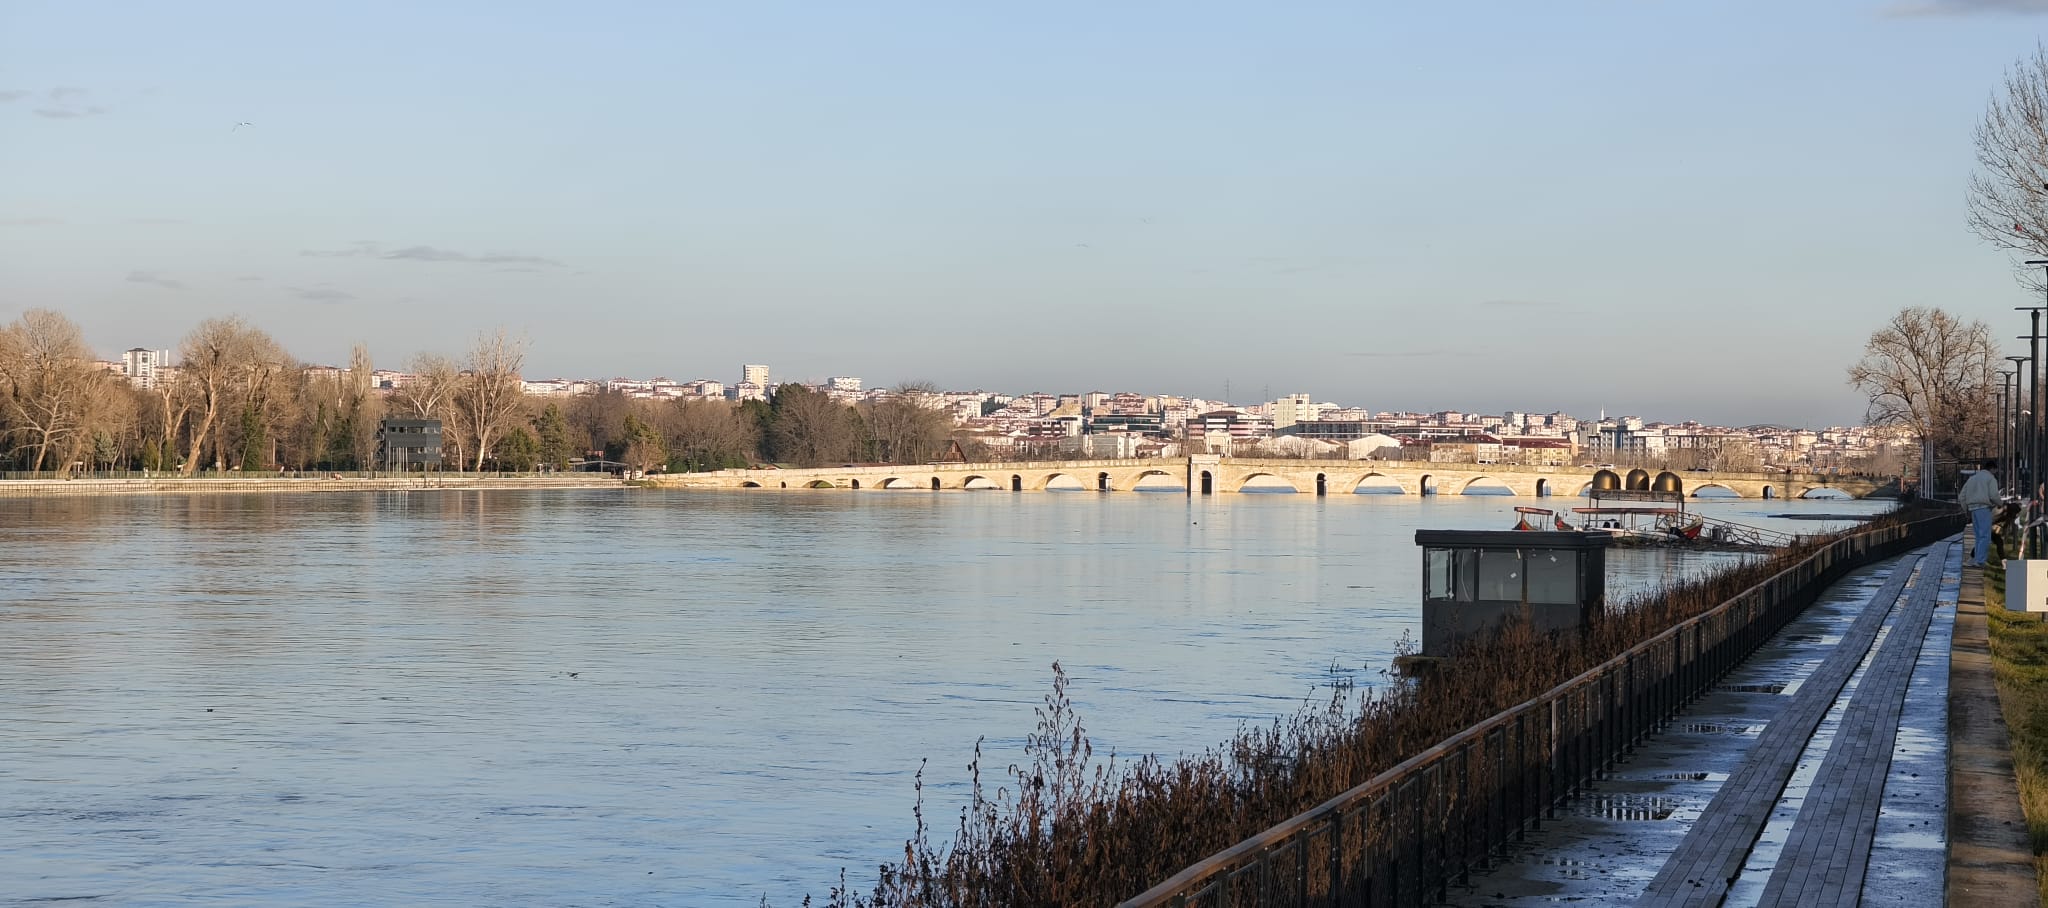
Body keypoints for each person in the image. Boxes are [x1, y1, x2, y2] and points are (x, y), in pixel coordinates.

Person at [1959, 458, 2001, 566]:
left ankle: (1976, 558)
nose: (1995, 473)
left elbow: (1962, 496)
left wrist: (1966, 510)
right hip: (1984, 509)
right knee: (1985, 536)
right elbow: (1994, 495)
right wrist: (2000, 503)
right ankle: (1980, 560)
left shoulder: (1972, 479)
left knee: (1978, 536)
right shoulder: (1991, 479)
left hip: (1973, 509)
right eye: (1995, 471)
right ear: (1992, 469)